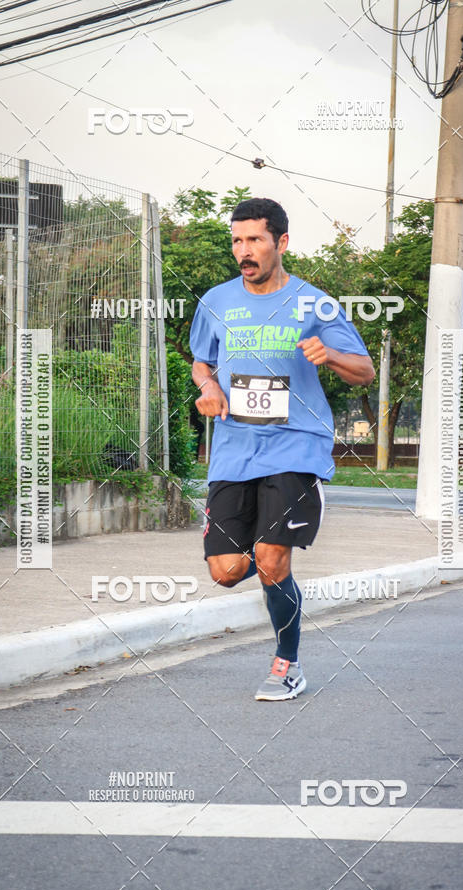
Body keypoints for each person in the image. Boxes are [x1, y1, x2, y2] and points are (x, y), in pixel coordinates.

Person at [189, 198, 375, 701]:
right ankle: (268, 555)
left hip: (297, 446)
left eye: (254, 240)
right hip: (234, 450)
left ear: (281, 243)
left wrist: (330, 353)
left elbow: (365, 370)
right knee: (226, 571)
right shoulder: (216, 301)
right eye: (237, 241)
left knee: (273, 561)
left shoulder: (315, 304)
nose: (243, 251)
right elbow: (201, 363)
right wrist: (208, 388)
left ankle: (287, 665)